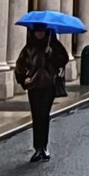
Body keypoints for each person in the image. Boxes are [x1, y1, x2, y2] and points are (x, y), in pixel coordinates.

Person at [14, 24, 69, 162]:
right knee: (36, 115)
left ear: (46, 31)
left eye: (42, 31)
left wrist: (52, 54)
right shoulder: (29, 48)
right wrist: (23, 78)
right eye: (37, 31)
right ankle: (37, 148)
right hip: (33, 86)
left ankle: (43, 147)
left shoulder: (53, 45)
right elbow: (20, 65)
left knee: (43, 114)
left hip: (48, 85)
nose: (39, 33)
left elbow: (64, 59)